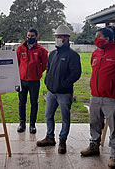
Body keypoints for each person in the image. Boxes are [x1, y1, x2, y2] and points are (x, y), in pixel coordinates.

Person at [80, 27, 115, 168]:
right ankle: (94, 145)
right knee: (95, 123)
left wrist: (114, 87)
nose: (96, 39)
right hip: (95, 96)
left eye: (98, 36)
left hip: (112, 98)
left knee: (114, 127)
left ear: (108, 39)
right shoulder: (96, 53)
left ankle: (114, 154)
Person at [36, 25, 81, 154]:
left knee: (65, 118)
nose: (57, 39)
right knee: (48, 115)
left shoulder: (73, 55)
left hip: (64, 94)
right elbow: (48, 68)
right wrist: (47, 81)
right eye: (56, 36)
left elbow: (75, 74)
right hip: (51, 92)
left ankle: (62, 141)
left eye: (59, 37)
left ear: (66, 38)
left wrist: (63, 84)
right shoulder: (53, 54)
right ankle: (50, 137)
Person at [16, 29, 48, 134]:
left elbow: (45, 65)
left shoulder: (41, 50)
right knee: (22, 103)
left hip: (34, 81)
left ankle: (32, 125)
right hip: (22, 80)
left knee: (34, 103)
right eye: (28, 35)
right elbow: (17, 63)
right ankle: (22, 123)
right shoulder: (20, 49)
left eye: (32, 36)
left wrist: (37, 72)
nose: (30, 37)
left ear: (37, 37)